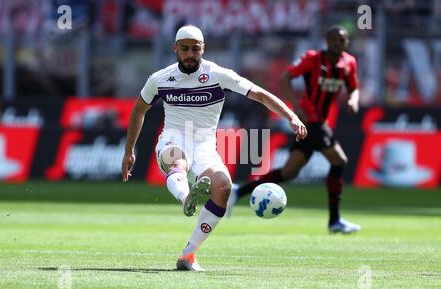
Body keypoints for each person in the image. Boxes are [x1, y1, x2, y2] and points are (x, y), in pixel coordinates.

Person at [121, 25, 307, 271]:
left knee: (223, 187)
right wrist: (129, 151)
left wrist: (291, 116)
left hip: (205, 147)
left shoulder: (219, 75)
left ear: (203, 49)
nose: (190, 54)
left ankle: (188, 256)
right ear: (175, 48)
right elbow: (139, 110)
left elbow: (261, 95)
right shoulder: (159, 79)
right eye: (184, 49)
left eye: (195, 49)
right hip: (173, 139)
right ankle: (187, 197)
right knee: (178, 162)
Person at [228, 25, 361, 234]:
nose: (337, 43)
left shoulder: (349, 62)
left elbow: (353, 88)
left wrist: (353, 99)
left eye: (341, 40)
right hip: (311, 119)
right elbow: (286, 78)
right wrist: (296, 107)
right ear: (326, 40)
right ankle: (335, 220)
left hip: (319, 122)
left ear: (347, 43)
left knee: (288, 172)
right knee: (340, 161)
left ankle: (237, 192)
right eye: (334, 39)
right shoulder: (312, 58)